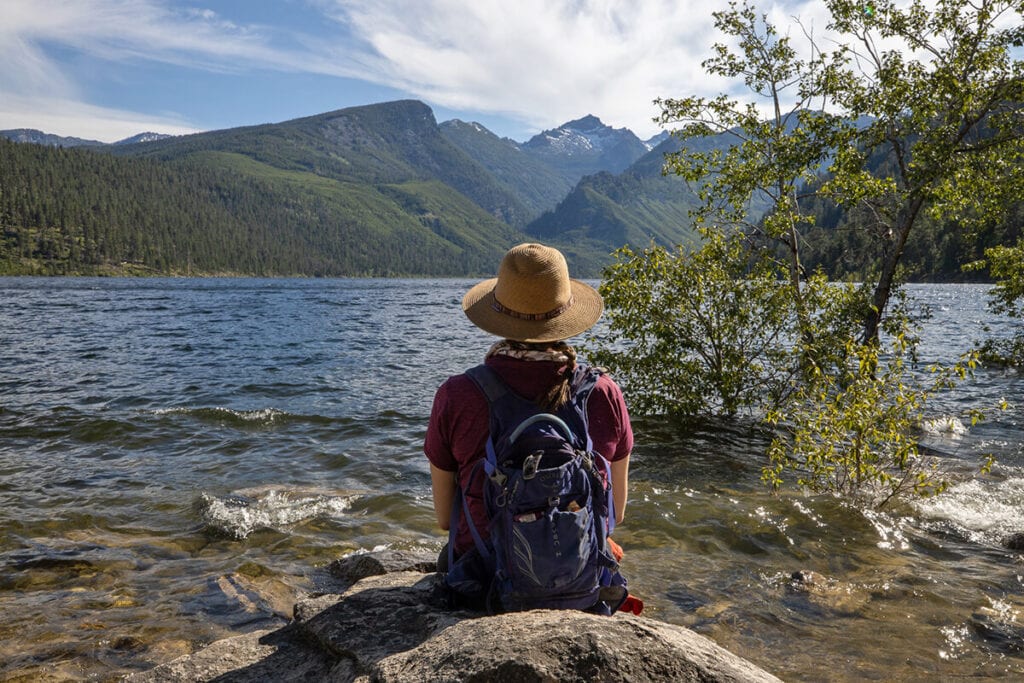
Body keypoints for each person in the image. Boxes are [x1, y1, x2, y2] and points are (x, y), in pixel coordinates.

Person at [424, 242, 633, 569]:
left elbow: (445, 519)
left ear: (499, 314)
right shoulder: (603, 392)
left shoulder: (457, 394)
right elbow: (615, 513)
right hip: (578, 575)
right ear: (566, 314)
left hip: (485, 576)